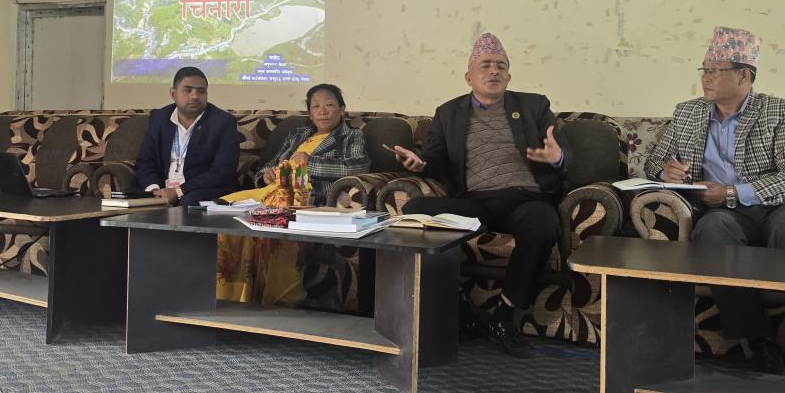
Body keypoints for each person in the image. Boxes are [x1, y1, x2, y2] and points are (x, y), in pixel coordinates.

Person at [644, 26, 785, 379]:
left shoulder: (780, 110)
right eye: (704, 70)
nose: (706, 78)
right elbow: (654, 161)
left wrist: (733, 192)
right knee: (711, 229)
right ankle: (759, 341)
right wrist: (666, 170)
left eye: (715, 70)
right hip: (728, 215)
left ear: (744, 76)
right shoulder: (688, 113)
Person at [393, 33, 571, 357]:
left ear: (509, 76)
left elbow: (564, 151)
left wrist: (557, 157)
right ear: (469, 77)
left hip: (526, 200)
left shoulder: (534, 105)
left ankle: (504, 316)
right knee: (415, 209)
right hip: (476, 202)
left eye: (501, 66)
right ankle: (462, 311)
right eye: (485, 65)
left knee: (543, 222)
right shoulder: (449, 112)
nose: (494, 71)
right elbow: (434, 159)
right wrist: (421, 164)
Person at [216, 84, 370, 305]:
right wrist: (266, 174)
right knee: (222, 213)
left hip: (302, 196)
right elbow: (272, 164)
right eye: (316, 106)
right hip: (270, 190)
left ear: (342, 109)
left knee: (264, 220)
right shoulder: (298, 135)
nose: (323, 111)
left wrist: (310, 163)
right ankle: (228, 297)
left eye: (329, 105)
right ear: (310, 113)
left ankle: (273, 297)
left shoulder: (351, 136)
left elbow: (358, 166)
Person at [135, 66, 240, 207]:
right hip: (162, 189)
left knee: (189, 202)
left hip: (202, 190)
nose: (195, 96)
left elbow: (222, 171)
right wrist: (154, 190)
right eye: (188, 90)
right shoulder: (159, 118)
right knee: (126, 198)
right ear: (173, 94)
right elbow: (145, 161)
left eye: (201, 91)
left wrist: (179, 191)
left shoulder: (223, 122)